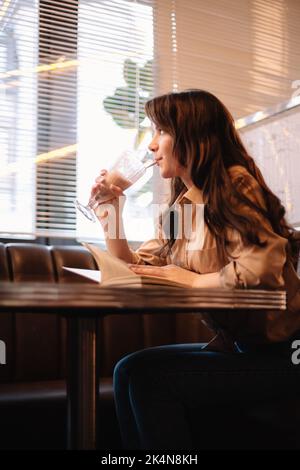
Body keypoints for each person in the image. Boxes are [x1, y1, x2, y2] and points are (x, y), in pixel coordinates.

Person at [91, 89, 300, 449]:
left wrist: (193, 279)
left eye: (160, 131)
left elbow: (264, 264)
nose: (152, 145)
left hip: (287, 354)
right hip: (240, 349)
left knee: (148, 379)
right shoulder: (182, 205)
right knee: (127, 369)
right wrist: (110, 214)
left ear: (192, 135)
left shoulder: (236, 183)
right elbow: (140, 268)